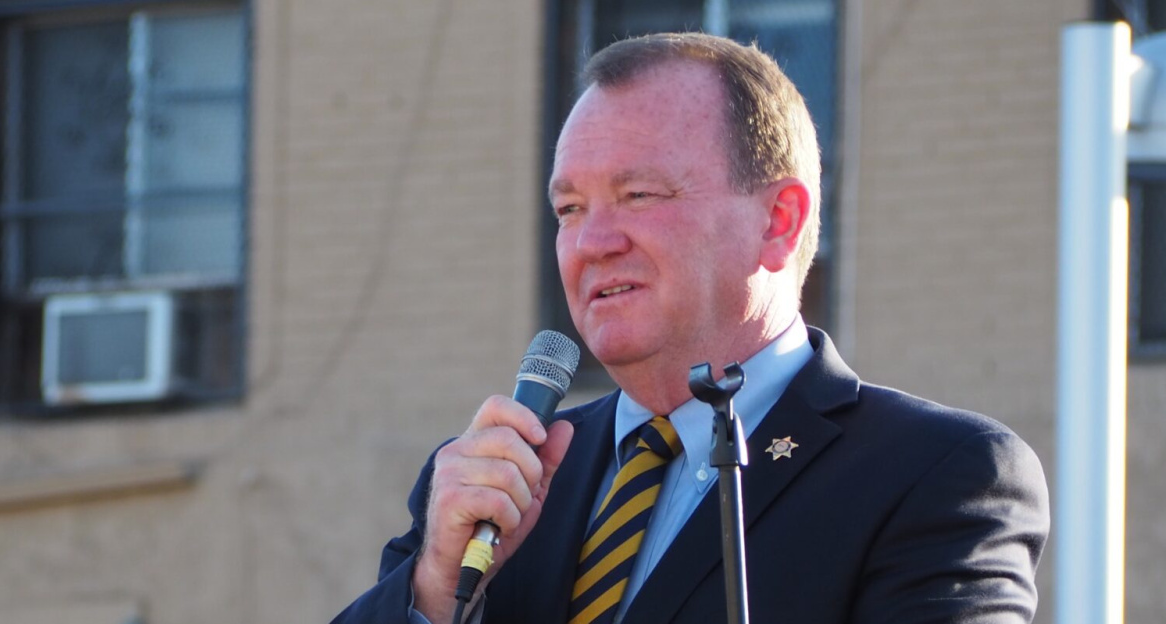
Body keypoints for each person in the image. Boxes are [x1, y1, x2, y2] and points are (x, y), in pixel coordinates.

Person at [332, 32, 1050, 624]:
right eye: (569, 210)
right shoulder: (491, 491)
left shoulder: (937, 477)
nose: (591, 243)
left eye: (638, 195)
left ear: (779, 221)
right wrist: (431, 591)